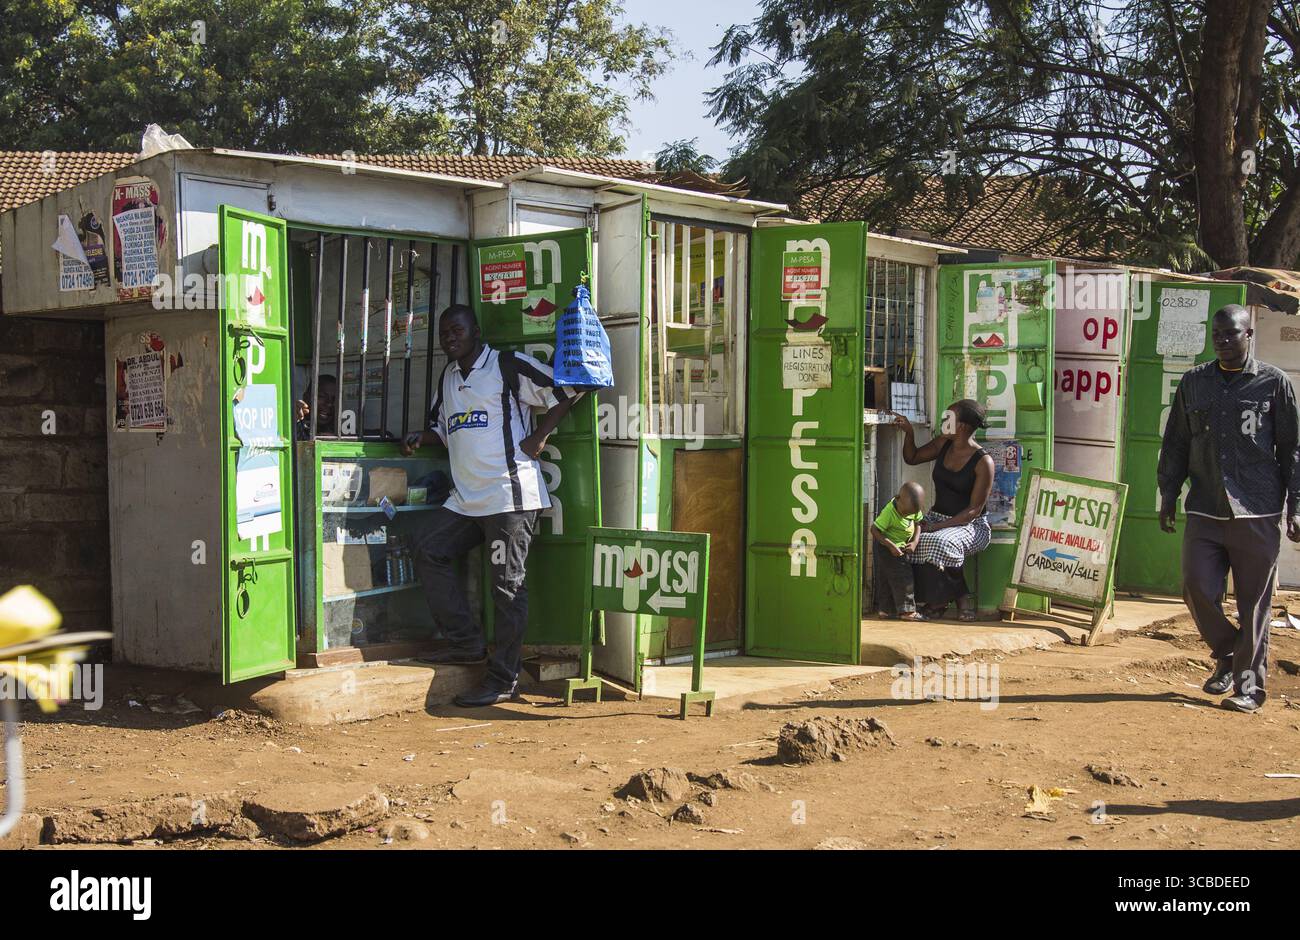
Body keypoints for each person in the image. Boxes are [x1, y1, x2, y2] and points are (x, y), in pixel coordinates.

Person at [401, 304, 582, 707]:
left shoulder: (505, 364)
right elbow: (444, 429)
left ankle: (502, 679)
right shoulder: (448, 378)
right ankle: (465, 644)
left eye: (457, 330)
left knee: (507, 587)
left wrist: (539, 437)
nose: (450, 337)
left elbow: (567, 390)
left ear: (475, 332)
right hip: (467, 501)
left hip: (508, 497)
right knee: (429, 548)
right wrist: (420, 437)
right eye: (444, 332)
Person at [1158, 304, 1300, 714]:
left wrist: (1296, 506)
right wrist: (1168, 492)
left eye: (1230, 334)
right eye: (1217, 334)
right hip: (1205, 505)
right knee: (1196, 587)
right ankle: (1229, 652)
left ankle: (1249, 689)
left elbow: (1292, 450)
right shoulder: (1195, 382)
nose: (1222, 340)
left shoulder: (1275, 384)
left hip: (1257, 510)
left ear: (1248, 335)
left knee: (1254, 603)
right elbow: (1177, 442)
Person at [892, 400, 995, 621]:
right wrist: (909, 432)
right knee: (901, 537)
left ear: (963, 427)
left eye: (949, 417)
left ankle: (960, 598)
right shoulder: (942, 444)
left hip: (970, 525)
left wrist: (937, 526)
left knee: (940, 541)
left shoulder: (983, 461)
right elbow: (912, 457)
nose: (943, 421)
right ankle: (937, 600)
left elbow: (974, 510)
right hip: (937, 518)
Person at [871, 481, 926, 621]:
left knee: (888, 579)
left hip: (899, 547)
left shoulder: (913, 509)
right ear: (897, 498)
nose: (906, 515)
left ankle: (885, 611)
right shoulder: (889, 512)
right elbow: (874, 530)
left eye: (911, 513)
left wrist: (914, 542)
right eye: (904, 512)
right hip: (886, 548)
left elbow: (918, 524)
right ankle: (907, 612)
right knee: (903, 577)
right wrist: (890, 546)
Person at [295, 374, 338, 439]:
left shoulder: (342, 430)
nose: (329, 403)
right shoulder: (294, 422)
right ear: (306, 397)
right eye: (322, 396)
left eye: (335, 399)